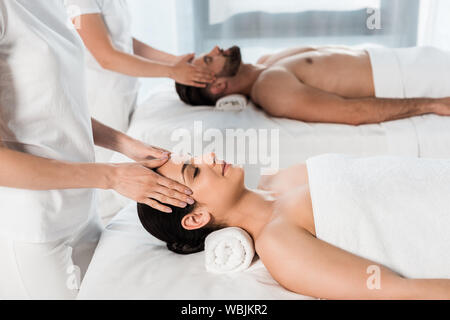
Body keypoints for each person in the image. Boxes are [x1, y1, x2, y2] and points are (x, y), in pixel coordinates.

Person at [0, 0, 193, 299]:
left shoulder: (49, 4)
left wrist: (124, 143)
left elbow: (55, 106)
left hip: (82, 211)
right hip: (34, 225)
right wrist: (112, 177)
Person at [137, 153, 450, 299]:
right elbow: (397, 292)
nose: (209, 157)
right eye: (195, 171)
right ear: (196, 218)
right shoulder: (279, 245)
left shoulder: (283, 180)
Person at [65, 0, 215, 160]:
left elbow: (124, 42)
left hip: (123, 95)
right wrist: (172, 71)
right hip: (102, 102)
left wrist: (175, 62)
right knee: (106, 161)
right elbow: (107, 57)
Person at [175, 45, 450, 125]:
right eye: (209, 59)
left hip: (411, 58)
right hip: (416, 81)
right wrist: (432, 104)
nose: (216, 48)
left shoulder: (267, 60)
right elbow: (351, 112)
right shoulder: (270, 89)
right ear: (218, 87)